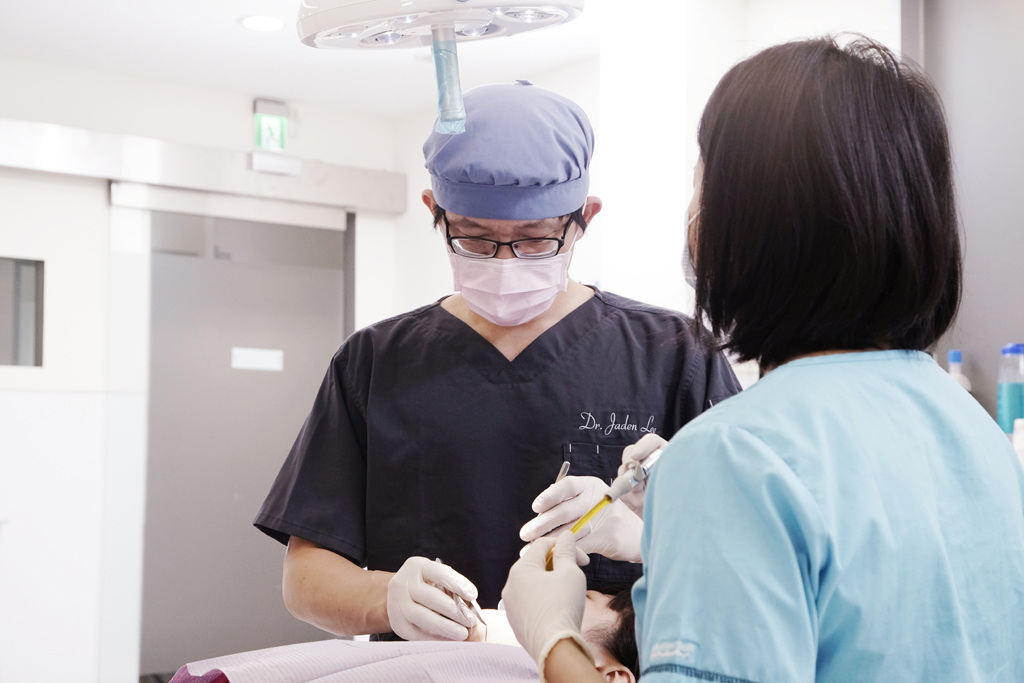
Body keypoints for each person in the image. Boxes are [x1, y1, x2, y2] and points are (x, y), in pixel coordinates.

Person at [502, 37, 1024, 683]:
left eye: (702, 192)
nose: (692, 221)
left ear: (752, 225)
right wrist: (675, 539)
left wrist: (554, 639)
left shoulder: (737, 453)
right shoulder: (973, 429)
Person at [253, 81, 741, 642]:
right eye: (476, 238)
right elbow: (307, 576)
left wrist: (622, 611)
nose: (505, 262)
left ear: (584, 217)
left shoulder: (675, 354)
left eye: (535, 240)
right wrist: (385, 599)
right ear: (435, 212)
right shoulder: (373, 363)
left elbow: (747, 555)